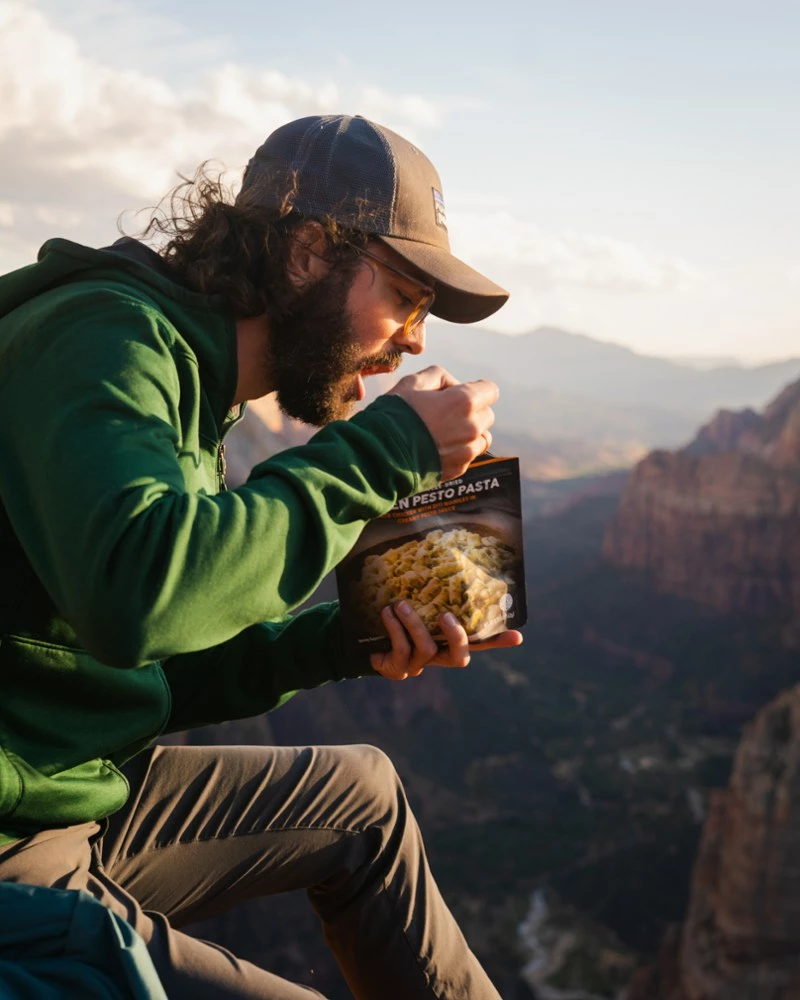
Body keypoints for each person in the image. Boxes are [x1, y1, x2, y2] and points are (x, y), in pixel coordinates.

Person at [0, 114, 523, 999]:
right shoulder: (105, 341)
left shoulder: (198, 392)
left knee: (365, 794)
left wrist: (340, 641)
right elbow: (143, 597)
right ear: (309, 253)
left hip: (65, 790)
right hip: (16, 848)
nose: (417, 340)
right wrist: (388, 452)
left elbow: (151, 671)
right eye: (405, 294)